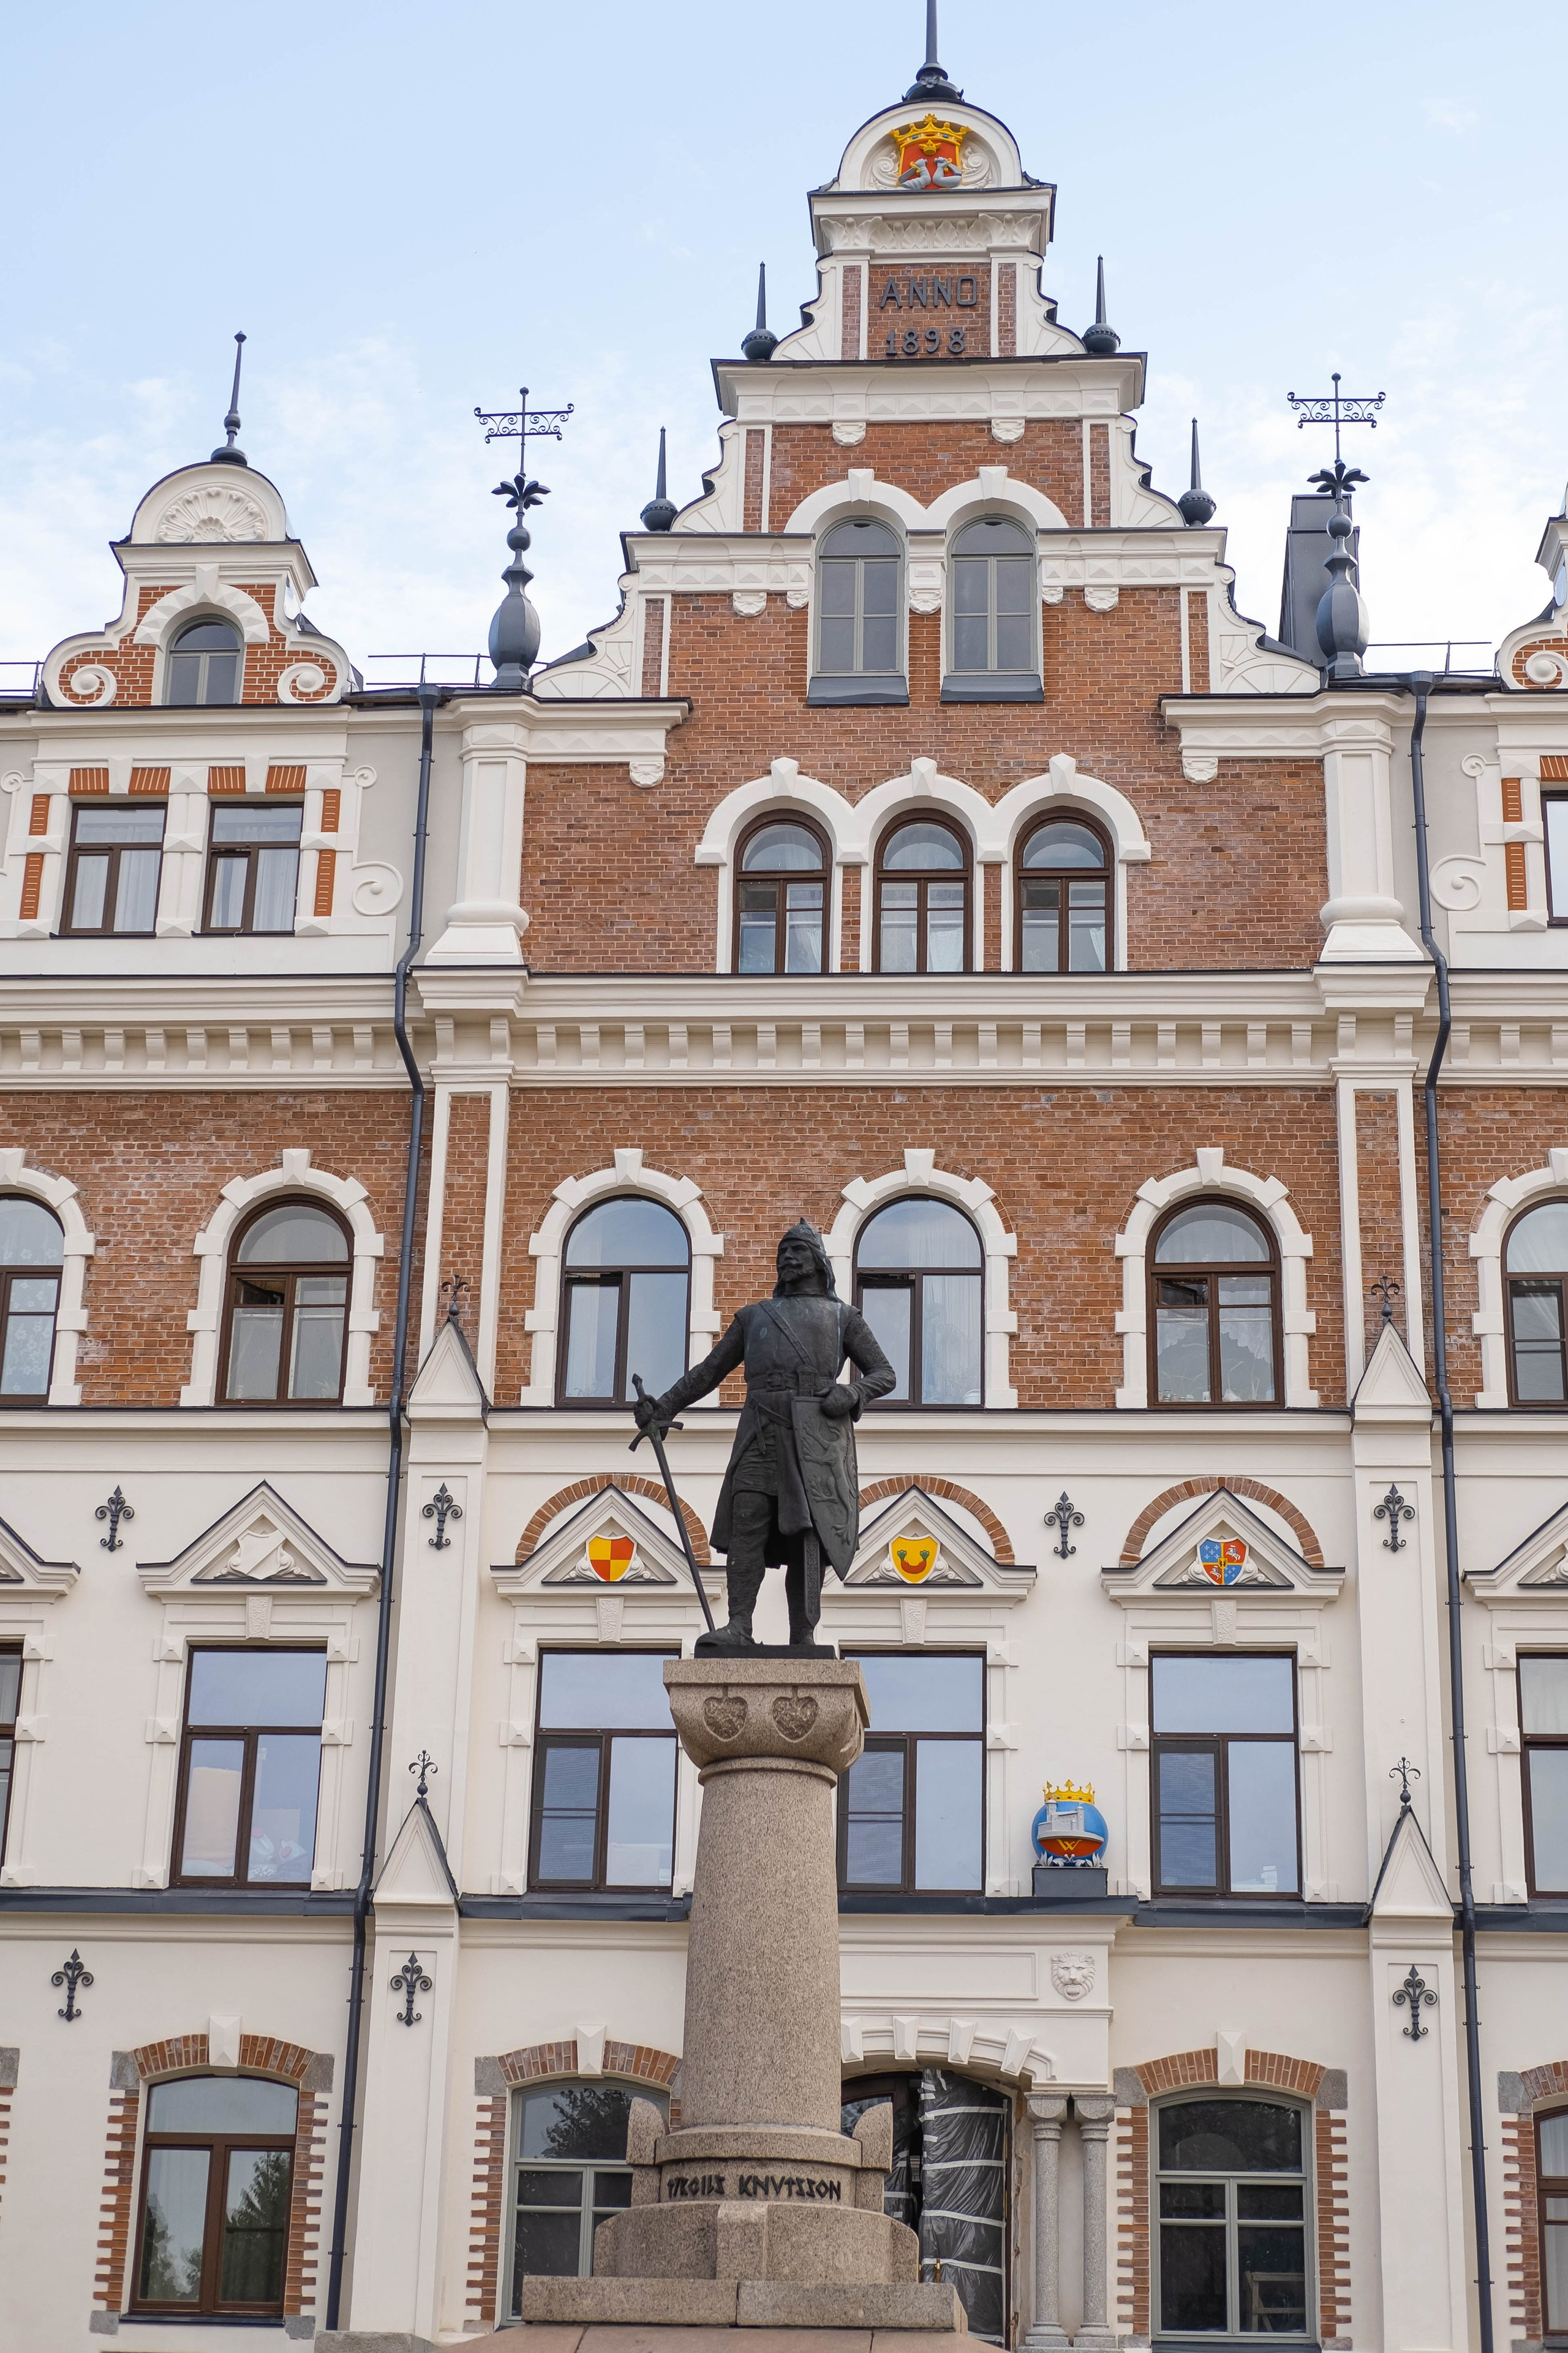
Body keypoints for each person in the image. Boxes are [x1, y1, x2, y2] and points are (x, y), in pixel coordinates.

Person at [633, 1220, 895, 1650]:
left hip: (814, 1440)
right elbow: (709, 1371)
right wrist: (663, 1407)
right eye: (783, 1252)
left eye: (797, 1251)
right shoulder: (754, 1317)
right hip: (760, 1430)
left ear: (818, 1262)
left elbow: (885, 1373)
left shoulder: (843, 1317)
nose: (787, 1259)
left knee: (805, 1540)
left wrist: (851, 1391)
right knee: (747, 1524)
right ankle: (739, 1624)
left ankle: (804, 1635)